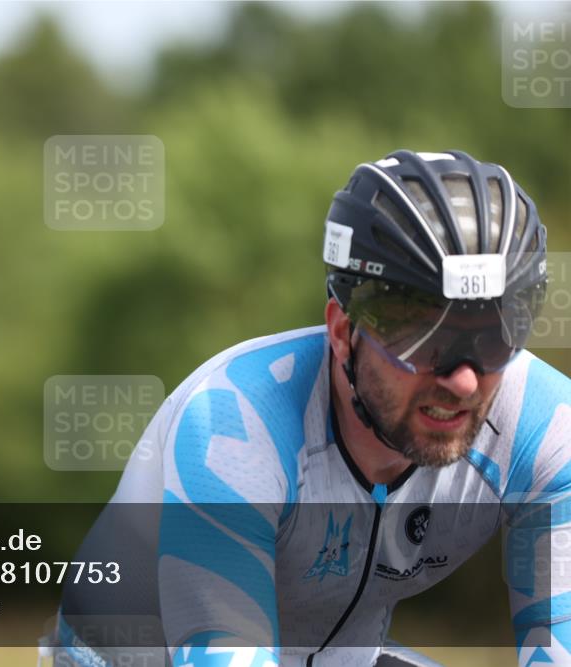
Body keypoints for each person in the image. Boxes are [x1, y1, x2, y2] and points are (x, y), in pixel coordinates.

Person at [46, 150, 570, 667]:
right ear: (343, 332)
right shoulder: (234, 423)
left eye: (494, 338)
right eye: (422, 340)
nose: (463, 378)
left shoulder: (546, 427)